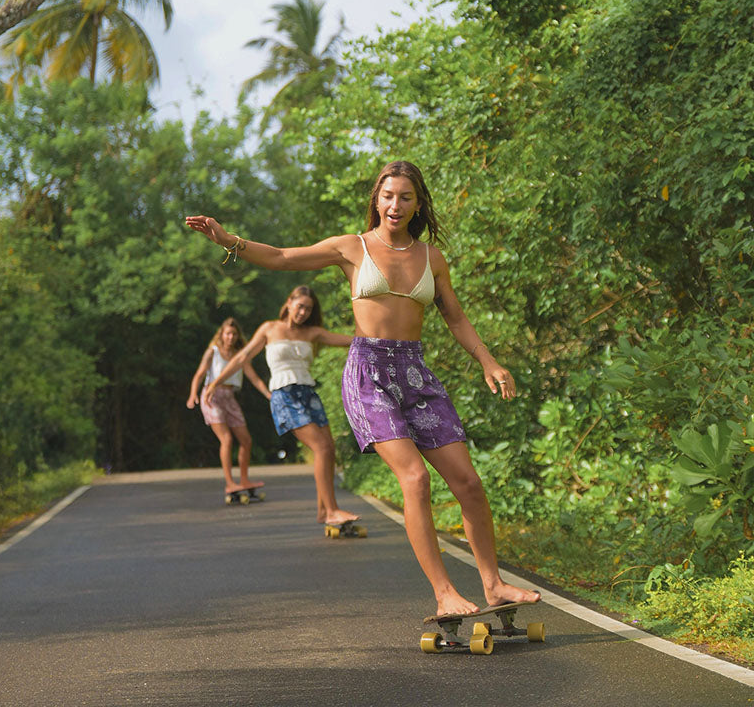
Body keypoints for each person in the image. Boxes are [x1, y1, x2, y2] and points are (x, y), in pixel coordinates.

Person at [185, 160, 540, 616]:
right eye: (388, 195)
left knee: (468, 482)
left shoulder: (432, 258)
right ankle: (444, 592)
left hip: (416, 375)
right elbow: (280, 258)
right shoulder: (351, 248)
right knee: (414, 478)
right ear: (376, 200)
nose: (396, 204)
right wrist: (228, 239)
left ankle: (493, 585)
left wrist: (489, 361)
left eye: (406, 197)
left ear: (417, 204)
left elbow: (454, 316)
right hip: (369, 375)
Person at [204, 285, 360, 527]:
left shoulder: (313, 333)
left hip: (308, 393)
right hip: (284, 395)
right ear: (289, 303)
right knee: (321, 448)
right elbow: (242, 357)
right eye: (300, 307)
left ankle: (323, 511)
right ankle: (332, 510)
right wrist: (216, 381)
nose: (303, 313)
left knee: (329, 450)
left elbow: (352, 341)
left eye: (308, 309)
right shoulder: (269, 328)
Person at [187, 317, 271, 495]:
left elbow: (254, 377)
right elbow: (200, 374)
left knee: (246, 440)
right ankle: (230, 483)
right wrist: (193, 394)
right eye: (228, 334)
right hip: (212, 397)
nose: (231, 337)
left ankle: (244, 479)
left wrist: (268, 395)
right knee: (226, 439)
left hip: (230, 397)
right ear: (221, 335)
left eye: (234, 334)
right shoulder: (213, 352)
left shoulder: (240, 355)